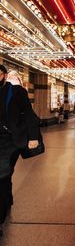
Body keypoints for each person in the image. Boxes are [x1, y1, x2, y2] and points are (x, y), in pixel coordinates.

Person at [0, 65, 40, 236]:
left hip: (9, 140)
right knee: (4, 175)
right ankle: (6, 197)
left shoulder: (17, 92)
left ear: (4, 75)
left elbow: (30, 115)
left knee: (2, 174)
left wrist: (33, 137)